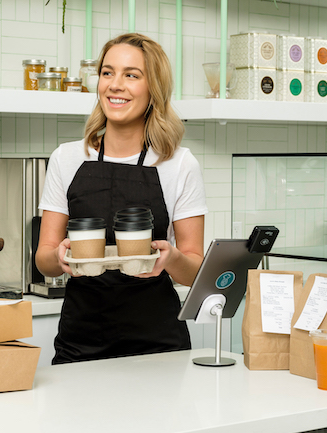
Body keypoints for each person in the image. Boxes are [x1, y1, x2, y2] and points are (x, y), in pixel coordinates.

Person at [35, 33, 208, 365]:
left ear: (153, 88)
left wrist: (170, 258)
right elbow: (43, 257)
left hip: (158, 344)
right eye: (107, 72)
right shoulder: (67, 157)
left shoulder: (179, 164)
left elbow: (194, 268)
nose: (115, 85)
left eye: (132, 75)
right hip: (80, 341)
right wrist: (58, 257)